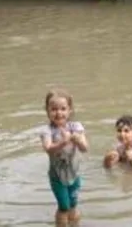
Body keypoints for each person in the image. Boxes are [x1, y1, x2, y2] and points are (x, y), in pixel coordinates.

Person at [39, 87, 89, 226]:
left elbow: (85, 148)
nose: (58, 113)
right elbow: (48, 149)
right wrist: (63, 142)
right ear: (47, 111)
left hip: (75, 175)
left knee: (73, 205)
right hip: (57, 177)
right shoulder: (46, 131)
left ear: (69, 110)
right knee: (64, 207)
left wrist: (78, 140)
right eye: (54, 109)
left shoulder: (76, 126)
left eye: (63, 108)